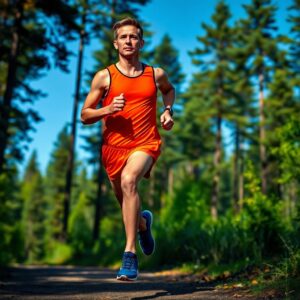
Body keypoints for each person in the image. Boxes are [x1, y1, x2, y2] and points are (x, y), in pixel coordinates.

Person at [80, 17, 175, 281]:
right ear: (115, 44)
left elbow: (169, 90)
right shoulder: (104, 76)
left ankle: (129, 255)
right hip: (113, 149)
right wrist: (107, 109)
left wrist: (168, 111)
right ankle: (143, 224)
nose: (129, 41)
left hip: (145, 142)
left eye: (133, 37)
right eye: (123, 37)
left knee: (130, 179)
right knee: (125, 199)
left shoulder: (154, 74)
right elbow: (84, 115)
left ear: (141, 43)